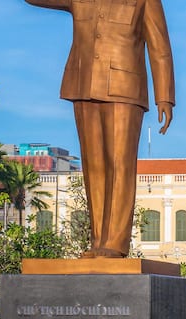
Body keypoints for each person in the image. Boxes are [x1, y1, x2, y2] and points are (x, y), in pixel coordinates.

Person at [25, 0, 175, 258]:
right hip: (83, 83)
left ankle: (115, 243)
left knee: (120, 165)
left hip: (125, 86)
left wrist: (164, 96)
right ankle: (97, 241)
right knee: (93, 166)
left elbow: (159, 46)